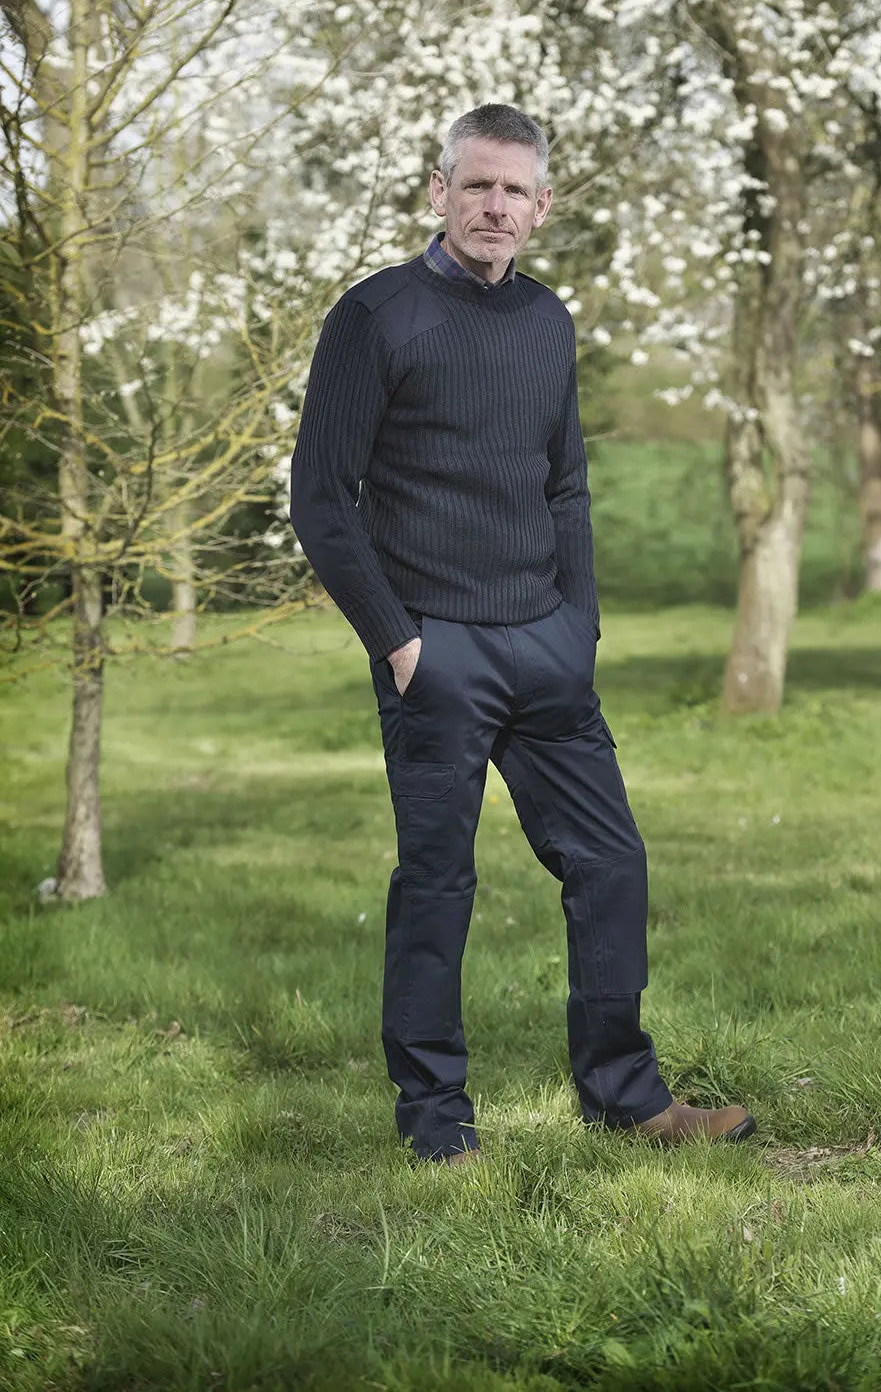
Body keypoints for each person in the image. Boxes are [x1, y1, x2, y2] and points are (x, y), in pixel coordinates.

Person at [289, 102, 756, 1165]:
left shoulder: (547, 320)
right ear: (438, 191)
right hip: (435, 654)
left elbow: (565, 485)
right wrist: (398, 643)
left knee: (610, 861)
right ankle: (436, 1121)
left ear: (541, 207)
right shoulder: (376, 315)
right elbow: (321, 497)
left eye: (514, 190)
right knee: (437, 885)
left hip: (545, 647)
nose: (493, 206)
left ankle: (626, 1099)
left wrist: (576, 627)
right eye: (476, 184)